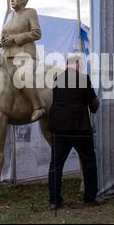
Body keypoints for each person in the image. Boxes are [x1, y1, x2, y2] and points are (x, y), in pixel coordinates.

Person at [47, 54, 100, 209]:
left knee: (56, 165)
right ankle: (90, 198)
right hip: (80, 128)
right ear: (78, 64)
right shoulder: (84, 79)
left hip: (58, 128)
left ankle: (54, 201)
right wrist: (94, 101)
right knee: (88, 162)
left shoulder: (56, 79)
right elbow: (94, 106)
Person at [0, 0, 45, 122]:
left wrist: (15, 38)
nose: (12, 0)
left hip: (25, 54)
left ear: (24, 0)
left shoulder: (30, 12)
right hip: (6, 55)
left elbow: (37, 33)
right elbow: (4, 34)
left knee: (23, 76)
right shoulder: (9, 16)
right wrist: (2, 40)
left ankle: (38, 106)